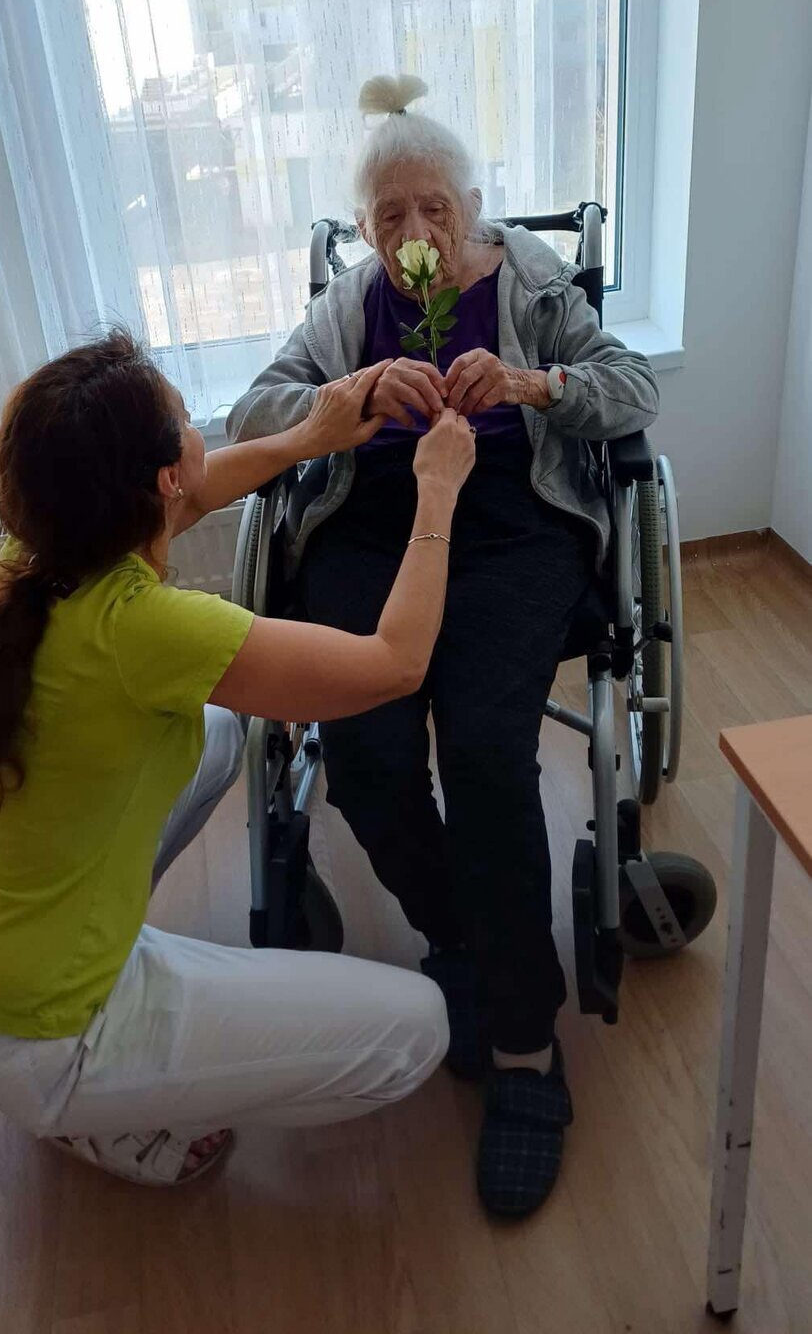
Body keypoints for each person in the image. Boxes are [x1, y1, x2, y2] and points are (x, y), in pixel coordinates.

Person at [228, 73, 660, 1217]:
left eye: (435, 207)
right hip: (375, 529)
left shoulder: (531, 282)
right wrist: (350, 395)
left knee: (481, 751)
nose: (416, 230)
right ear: (366, 230)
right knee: (364, 754)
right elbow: (252, 411)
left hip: (512, 530)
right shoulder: (351, 307)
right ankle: (462, 940)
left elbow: (632, 388)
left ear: (471, 206)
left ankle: (526, 1046)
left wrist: (533, 382)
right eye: (390, 215)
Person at [0, 329, 476, 1187]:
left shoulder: (45, 543)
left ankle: (109, 1047)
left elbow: (202, 486)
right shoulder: (144, 628)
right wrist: (437, 491)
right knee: (418, 1028)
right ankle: (101, 1111)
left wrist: (309, 436)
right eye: (186, 422)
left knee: (217, 736)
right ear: (161, 480)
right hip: (44, 1031)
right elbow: (395, 664)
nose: (197, 435)